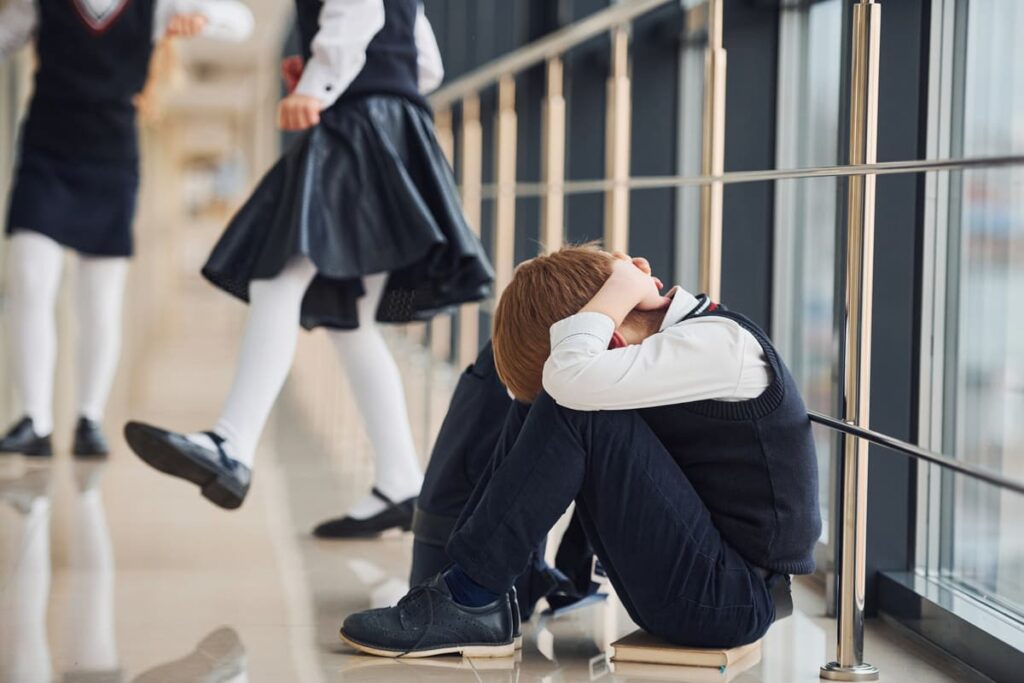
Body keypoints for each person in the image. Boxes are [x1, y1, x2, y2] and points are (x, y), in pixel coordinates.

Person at [337, 244, 819, 658]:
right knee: (565, 394)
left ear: (608, 329)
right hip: (695, 581)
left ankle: (472, 596)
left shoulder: (719, 345)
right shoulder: (673, 344)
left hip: (729, 601)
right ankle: (486, 590)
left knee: (574, 400)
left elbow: (570, 380)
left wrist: (620, 286)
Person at [124, 0, 493, 534]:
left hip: (356, 127)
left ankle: (233, 442)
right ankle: (400, 481)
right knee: (351, 322)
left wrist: (315, 85)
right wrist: (332, 70)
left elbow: (359, 10)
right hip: (393, 129)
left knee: (279, 276)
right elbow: (425, 64)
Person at [0, 0, 254, 458]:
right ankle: (34, 420)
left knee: (99, 298)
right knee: (30, 279)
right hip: (45, 153)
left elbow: (242, 23)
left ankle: (88, 418)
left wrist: (203, 19)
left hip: (111, 159)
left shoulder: (155, 5)